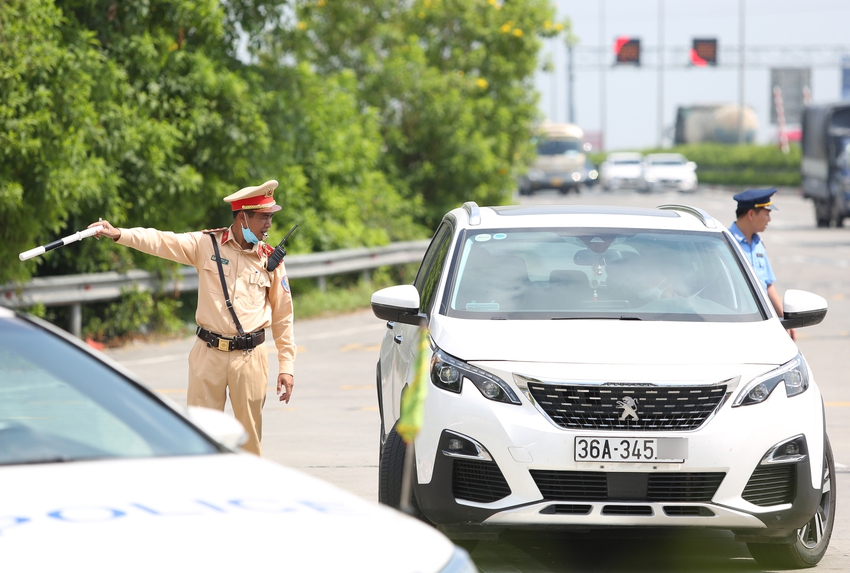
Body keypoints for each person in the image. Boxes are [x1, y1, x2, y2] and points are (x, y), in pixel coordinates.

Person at [89, 180, 296, 455]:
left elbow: (283, 316)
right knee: (199, 436)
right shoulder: (206, 244)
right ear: (243, 216)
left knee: (249, 441)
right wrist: (118, 234)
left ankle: (245, 493)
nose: (269, 223)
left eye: (271, 216)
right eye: (264, 217)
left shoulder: (270, 260)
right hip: (207, 354)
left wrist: (287, 366)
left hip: (250, 358)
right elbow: (161, 241)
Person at [729, 187, 796, 341]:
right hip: (736, 323)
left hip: (761, 322)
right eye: (767, 214)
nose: (769, 220)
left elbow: (767, 284)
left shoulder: (758, 244)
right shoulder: (726, 243)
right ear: (751, 214)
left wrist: (786, 322)